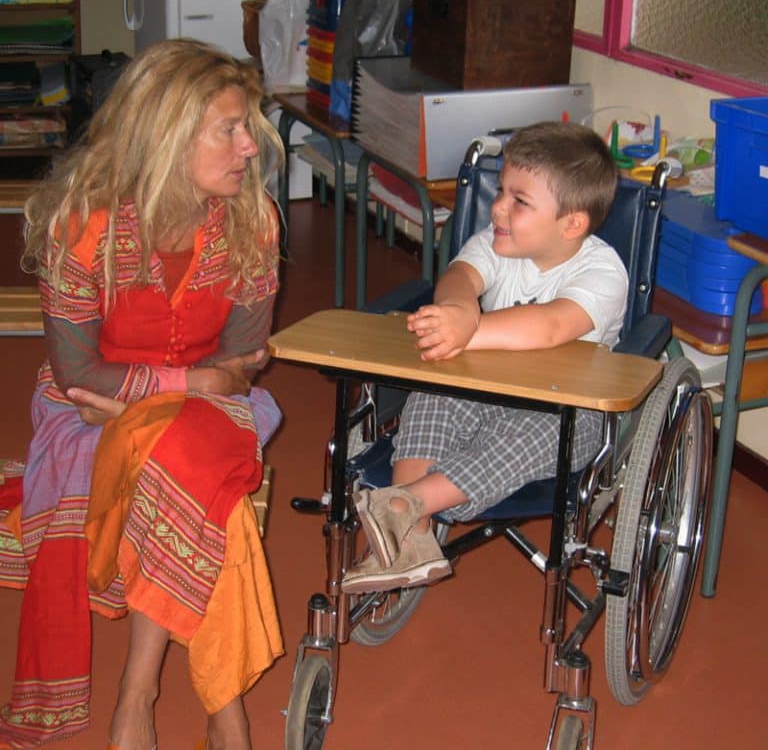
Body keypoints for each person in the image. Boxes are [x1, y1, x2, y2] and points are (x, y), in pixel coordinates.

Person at [0, 39, 285, 750]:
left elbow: (244, 362)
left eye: (248, 126)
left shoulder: (254, 221)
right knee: (202, 484)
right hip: (89, 415)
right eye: (229, 128)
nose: (250, 146)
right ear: (166, 132)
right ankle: (223, 710)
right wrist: (188, 383)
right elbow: (75, 376)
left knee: (179, 448)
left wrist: (166, 396)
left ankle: (139, 692)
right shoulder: (84, 224)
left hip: (198, 409)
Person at [341, 121, 626, 593]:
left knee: (527, 438)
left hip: (565, 411)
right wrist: (456, 309)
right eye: (500, 191)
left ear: (572, 223)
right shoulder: (498, 244)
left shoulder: (602, 271)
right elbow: (459, 275)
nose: (497, 207)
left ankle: (402, 503)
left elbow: (553, 324)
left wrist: (466, 331)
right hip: (482, 388)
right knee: (433, 393)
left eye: (519, 200)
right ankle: (407, 541)